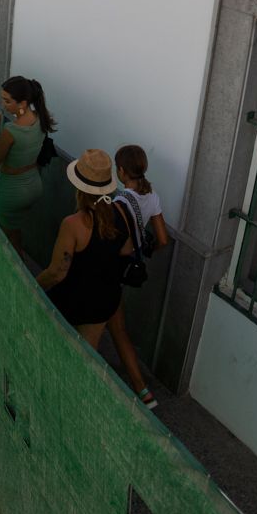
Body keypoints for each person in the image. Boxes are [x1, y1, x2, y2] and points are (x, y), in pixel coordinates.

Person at [38, 149, 133, 349]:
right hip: (104, 300)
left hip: (72, 300)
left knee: (52, 348)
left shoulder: (73, 223)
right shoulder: (124, 212)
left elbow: (57, 273)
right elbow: (125, 252)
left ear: (79, 187)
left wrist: (33, 285)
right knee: (86, 355)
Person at [106, 144, 170, 410]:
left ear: (121, 171)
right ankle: (142, 390)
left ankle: (142, 389)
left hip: (112, 266)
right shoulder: (152, 195)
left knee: (115, 326)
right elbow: (164, 239)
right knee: (113, 323)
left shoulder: (120, 201)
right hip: (129, 267)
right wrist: (146, 250)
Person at [0, 76, 56, 251]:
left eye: (7, 101)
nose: (3, 104)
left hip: (12, 192)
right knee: (16, 232)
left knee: (10, 242)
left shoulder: (11, 131)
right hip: (33, 184)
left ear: (22, 104)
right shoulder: (41, 118)